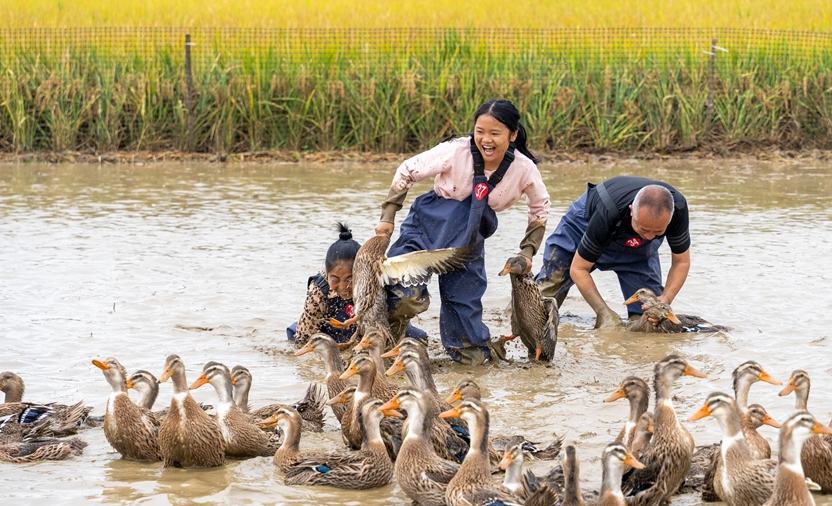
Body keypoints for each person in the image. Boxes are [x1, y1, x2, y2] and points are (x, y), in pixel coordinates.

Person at [375, 99, 550, 364]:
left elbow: (540, 208)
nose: (485, 140)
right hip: (427, 228)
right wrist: (388, 218)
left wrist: (527, 251)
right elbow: (406, 171)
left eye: (495, 133)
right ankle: (388, 341)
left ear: (512, 135)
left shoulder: (524, 169)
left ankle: (464, 352)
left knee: (472, 350)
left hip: (469, 241)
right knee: (403, 296)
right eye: (480, 131)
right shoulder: (456, 151)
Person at [534, 176, 691, 328]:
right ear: (631, 211)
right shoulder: (608, 211)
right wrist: (603, 312)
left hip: (638, 252)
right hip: (584, 224)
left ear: (669, 220)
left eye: (657, 232)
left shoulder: (678, 210)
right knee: (543, 298)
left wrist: (666, 298)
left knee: (649, 319)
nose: (650, 236)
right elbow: (579, 268)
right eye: (644, 229)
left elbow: (681, 261)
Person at [287, 223, 427, 347]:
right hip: (334, 335)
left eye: (350, 279)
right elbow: (304, 338)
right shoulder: (319, 290)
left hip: (374, 328)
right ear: (327, 274)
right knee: (294, 334)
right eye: (335, 279)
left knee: (419, 340)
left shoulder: (375, 277)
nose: (343, 287)